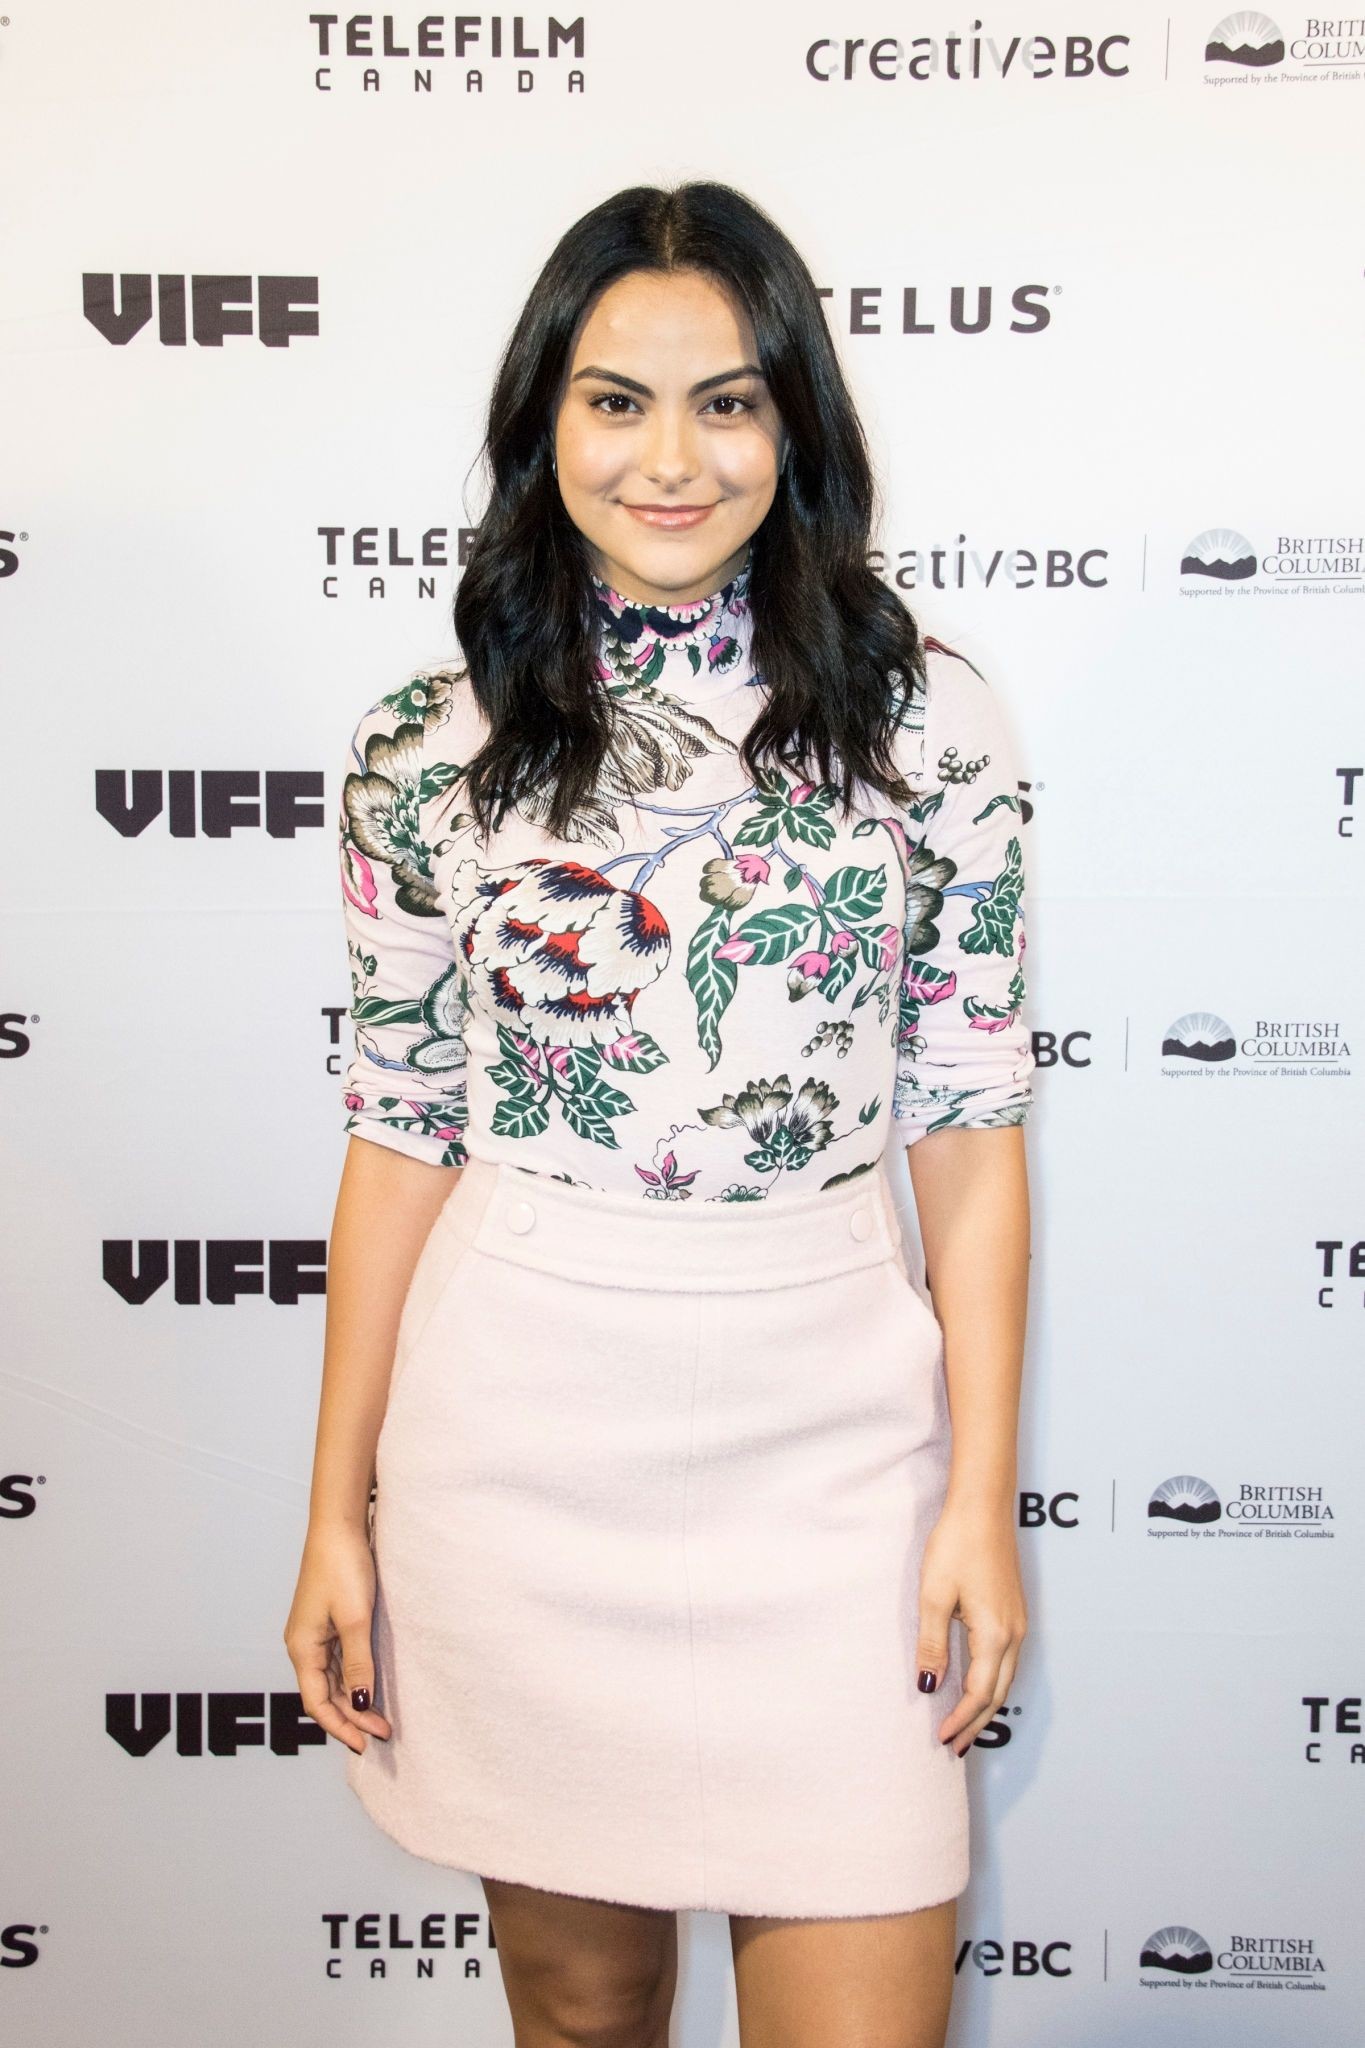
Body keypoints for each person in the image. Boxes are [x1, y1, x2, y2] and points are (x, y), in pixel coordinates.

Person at [284, 180, 1034, 2048]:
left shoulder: (925, 722)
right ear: (543, 419)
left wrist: (979, 1500)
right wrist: (333, 1516)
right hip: (519, 1448)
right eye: (616, 401)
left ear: (797, 423)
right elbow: (400, 1132)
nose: (672, 460)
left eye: (728, 402)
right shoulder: (422, 748)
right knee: (580, 2021)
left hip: (832, 1454)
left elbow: (968, 1122)